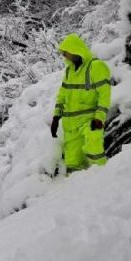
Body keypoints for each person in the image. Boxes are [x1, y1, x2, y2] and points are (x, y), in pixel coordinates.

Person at [50, 33, 112, 174]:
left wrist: (99, 118)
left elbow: (104, 94)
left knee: (94, 150)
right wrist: (56, 117)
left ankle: (105, 178)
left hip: (89, 121)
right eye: (64, 53)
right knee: (73, 163)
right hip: (71, 125)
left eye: (67, 53)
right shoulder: (69, 72)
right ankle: (76, 192)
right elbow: (62, 95)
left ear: (76, 50)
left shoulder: (96, 67)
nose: (65, 56)